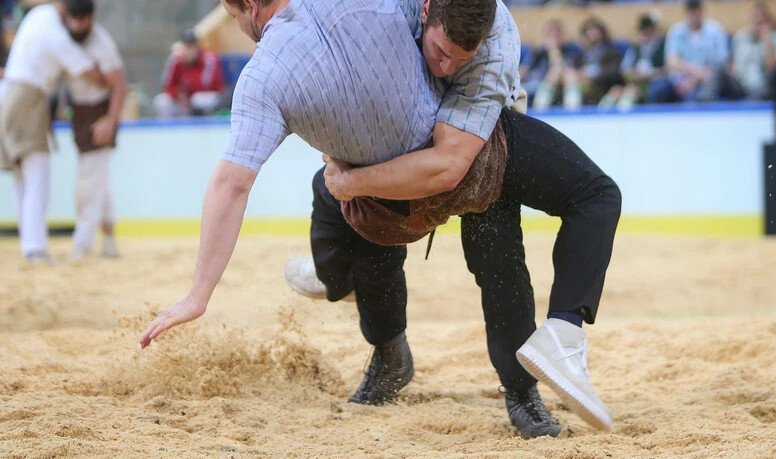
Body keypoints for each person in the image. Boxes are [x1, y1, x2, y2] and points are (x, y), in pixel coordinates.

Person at [140, 0, 619, 437]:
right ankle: (381, 342)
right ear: (425, 11)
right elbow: (234, 182)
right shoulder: (381, 10)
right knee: (343, 221)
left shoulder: (493, 45)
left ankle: (522, 395)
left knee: (498, 254)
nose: (446, 66)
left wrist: (356, 182)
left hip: (474, 152)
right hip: (391, 163)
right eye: (438, 52)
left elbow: (449, 163)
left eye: (458, 58)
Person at [0, 0, 107, 261]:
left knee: (23, 176)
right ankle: (34, 248)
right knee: (37, 173)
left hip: (10, 96)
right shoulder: (53, 29)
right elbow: (86, 69)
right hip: (27, 97)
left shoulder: (39, 14)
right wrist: (111, 79)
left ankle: (30, 244)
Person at [65, 2, 126, 259]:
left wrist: (109, 122)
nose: (77, 25)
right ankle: (109, 241)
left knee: (88, 182)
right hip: (80, 112)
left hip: (99, 112)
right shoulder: (63, 37)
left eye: (82, 19)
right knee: (97, 181)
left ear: (91, 17)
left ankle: (82, 242)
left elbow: (119, 87)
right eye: (73, 19)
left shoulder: (103, 44)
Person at [663, 0, 740, 103]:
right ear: (685, 12)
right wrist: (694, 74)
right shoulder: (676, 31)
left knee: (698, 91)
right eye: (690, 10)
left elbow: (721, 64)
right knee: (659, 89)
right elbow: (672, 62)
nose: (693, 14)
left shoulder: (715, 31)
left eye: (696, 10)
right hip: (682, 79)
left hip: (709, 79)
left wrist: (694, 81)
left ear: (701, 11)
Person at [153, 29, 224, 118]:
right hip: (184, 100)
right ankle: (166, 130)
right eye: (187, 46)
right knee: (161, 101)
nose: (189, 50)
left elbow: (206, 85)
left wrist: (187, 94)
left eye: (192, 46)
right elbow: (167, 86)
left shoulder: (209, 58)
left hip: (209, 96)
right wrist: (177, 94)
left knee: (197, 100)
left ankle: (204, 129)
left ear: (198, 46)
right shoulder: (176, 60)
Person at [607, 14, 666, 110]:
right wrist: (634, 74)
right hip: (635, 82)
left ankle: (624, 116)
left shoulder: (663, 47)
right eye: (644, 30)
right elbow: (624, 70)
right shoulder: (634, 49)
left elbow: (668, 70)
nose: (646, 33)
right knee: (616, 91)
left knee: (633, 92)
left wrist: (650, 74)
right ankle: (603, 115)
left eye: (649, 29)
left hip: (654, 83)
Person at [731, 2, 776, 100]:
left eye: (761, 23)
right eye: (756, 22)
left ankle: (747, 108)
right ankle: (703, 105)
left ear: (769, 23)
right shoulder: (741, 37)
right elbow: (731, 64)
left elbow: (774, 69)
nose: (758, 26)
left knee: (765, 90)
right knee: (717, 72)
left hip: (763, 85)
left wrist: (767, 40)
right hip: (739, 84)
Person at [525, 20, 583, 111]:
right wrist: (554, 52)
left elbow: (578, 69)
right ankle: (540, 111)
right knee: (555, 73)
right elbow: (526, 70)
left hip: (566, 81)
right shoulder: (539, 52)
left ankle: (572, 111)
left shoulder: (571, 50)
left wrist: (555, 53)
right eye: (552, 36)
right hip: (541, 81)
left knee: (569, 75)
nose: (555, 39)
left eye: (557, 35)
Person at [577, 17, 624, 108]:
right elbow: (576, 68)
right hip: (585, 88)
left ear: (602, 32)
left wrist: (595, 73)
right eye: (589, 30)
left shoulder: (612, 50)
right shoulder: (581, 52)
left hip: (607, 88)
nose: (592, 33)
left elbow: (614, 72)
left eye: (595, 30)